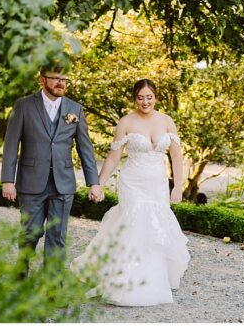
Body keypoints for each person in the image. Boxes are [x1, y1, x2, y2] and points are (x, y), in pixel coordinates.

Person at [72, 79, 191, 307]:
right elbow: (113, 157)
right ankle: (125, 281)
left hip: (157, 184)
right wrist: (99, 183)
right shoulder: (126, 122)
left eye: (149, 97)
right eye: (140, 97)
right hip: (133, 182)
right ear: (134, 98)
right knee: (135, 224)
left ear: (155, 97)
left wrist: (177, 186)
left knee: (155, 227)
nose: (145, 101)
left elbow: (176, 156)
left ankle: (151, 278)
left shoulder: (167, 121)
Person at [1, 65, 103, 277]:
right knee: (31, 232)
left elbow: (85, 148)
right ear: (41, 80)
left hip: (63, 183)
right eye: (55, 78)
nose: (60, 83)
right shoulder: (23, 106)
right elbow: (11, 145)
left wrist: (93, 182)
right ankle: (21, 271)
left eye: (64, 79)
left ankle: (52, 284)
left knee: (57, 235)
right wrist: (7, 181)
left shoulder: (75, 109)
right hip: (31, 181)